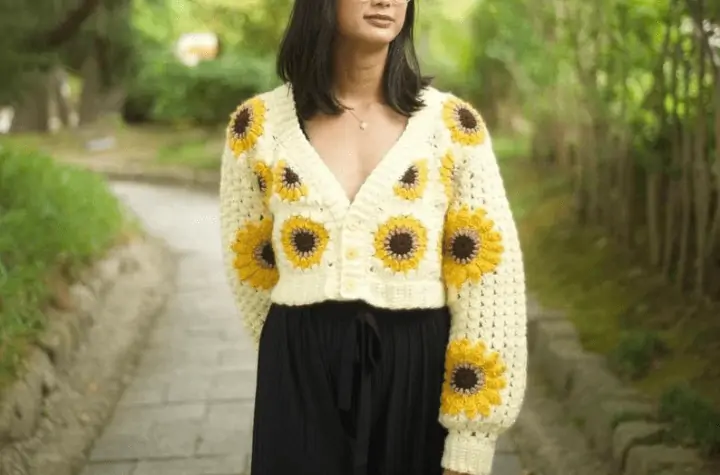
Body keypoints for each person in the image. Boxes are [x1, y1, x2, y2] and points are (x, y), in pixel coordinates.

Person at [218, 0, 527, 473]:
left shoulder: (453, 129)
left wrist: (472, 440)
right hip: (300, 369)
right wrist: (295, 353)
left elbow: (488, 285)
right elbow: (251, 265)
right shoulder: (256, 129)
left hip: (417, 371)